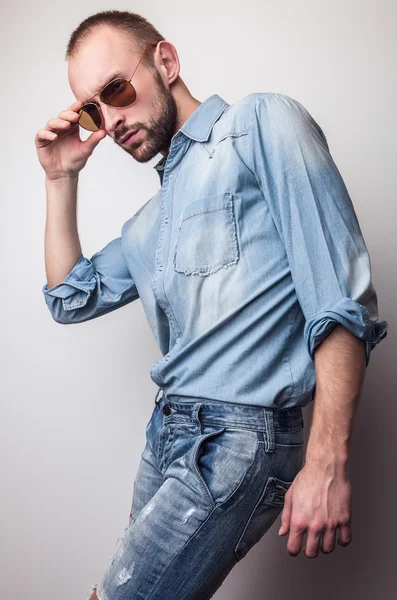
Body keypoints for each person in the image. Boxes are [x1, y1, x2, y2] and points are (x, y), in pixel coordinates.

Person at [34, 9, 388, 600]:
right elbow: (70, 298)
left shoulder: (259, 124)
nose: (111, 120)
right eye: (94, 110)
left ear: (166, 62)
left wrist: (326, 462)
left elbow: (339, 300)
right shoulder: (148, 225)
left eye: (116, 90)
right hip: (167, 435)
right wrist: (59, 179)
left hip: (236, 441)